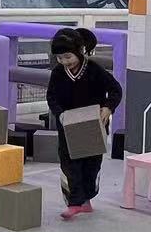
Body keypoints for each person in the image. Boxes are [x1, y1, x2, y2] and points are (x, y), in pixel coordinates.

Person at [44, 27, 123, 219]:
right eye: (60, 58)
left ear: (80, 51)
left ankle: (86, 200)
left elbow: (115, 89)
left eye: (68, 57)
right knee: (70, 164)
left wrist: (108, 108)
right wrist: (60, 114)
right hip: (68, 127)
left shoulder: (94, 70)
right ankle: (74, 203)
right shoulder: (57, 73)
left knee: (91, 164)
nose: (65, 61)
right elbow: (51, 97)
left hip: (93, 126)